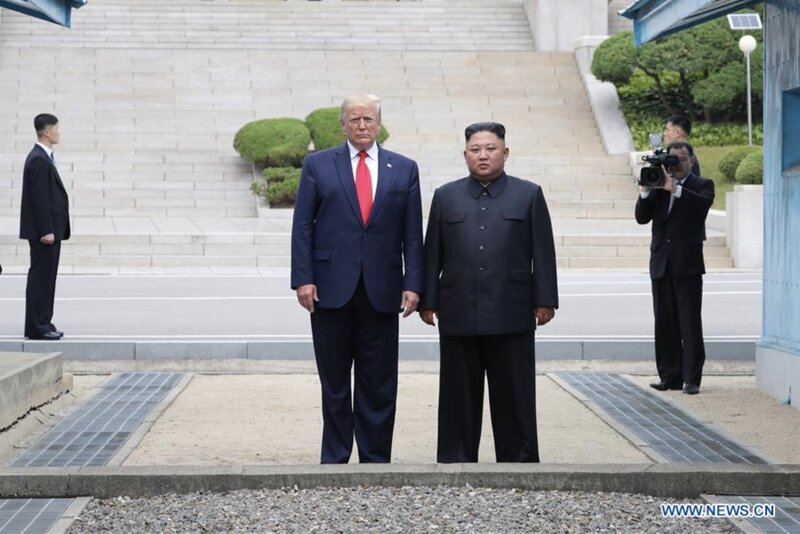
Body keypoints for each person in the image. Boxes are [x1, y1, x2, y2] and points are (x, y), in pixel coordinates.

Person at [290, 95, 423, 464]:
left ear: (379, 123)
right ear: (342, 124)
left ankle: (375, 457)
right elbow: (303, 226)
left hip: (383, 290)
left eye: (368, 118)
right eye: (354, 119)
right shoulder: (318, 165)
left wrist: (414, 282)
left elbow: (413, 233)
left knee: (379, 382)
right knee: (334, 383)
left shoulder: (404, 168)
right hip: (329, 290)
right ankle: (334, 457)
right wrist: (303, 278)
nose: (362, 125)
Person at [419, 122, 558, 463]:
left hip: (511, 310)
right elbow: (432, 252)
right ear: (465, 155)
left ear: (505, 153)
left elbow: (543, 251)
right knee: (457, 394)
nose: (483, 155)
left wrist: (545, 299)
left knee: (513, 393)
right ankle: (455, 459)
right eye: (476, 149)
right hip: (458, 311)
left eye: (491, 149)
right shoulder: (446, 196)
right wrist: (428, 300)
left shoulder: (528, 194)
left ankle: (519, 461)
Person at [635, 141, 714, 395]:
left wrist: (676, 189)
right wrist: (646, 191)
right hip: (661, 263)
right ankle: (669, 375)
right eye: (672, 158)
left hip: (687, 265)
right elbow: (641, 217)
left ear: (692, 160)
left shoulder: (703, 185)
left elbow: (700, 209)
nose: (677, 163)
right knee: (664, 323)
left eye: (682, 158)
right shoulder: (658, 184)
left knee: (689, 324)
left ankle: (691, 379)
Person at [19, 113, 70, 341]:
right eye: (57, 129)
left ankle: (44, 322)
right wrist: (46, 230)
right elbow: (39, 200)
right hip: (45, 234)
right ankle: (37, 326)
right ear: (47, 132)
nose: (59, 132)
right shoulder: (39, 159)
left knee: (47, 279)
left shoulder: (43, 157)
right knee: (41, 279)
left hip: (50, 231)